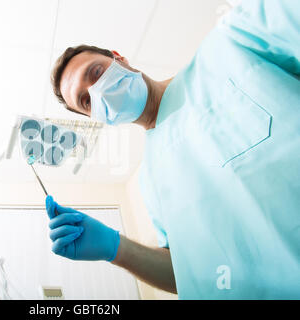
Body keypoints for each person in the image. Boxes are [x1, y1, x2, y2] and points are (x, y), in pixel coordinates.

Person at [45, 0, 300, 299]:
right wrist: (117, 249)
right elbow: (188, 272)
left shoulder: (232, 45)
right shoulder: (150, 182)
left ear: (119, 58)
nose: (98, 91)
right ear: (94, 117)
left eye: (96, 71)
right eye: (86, 100)